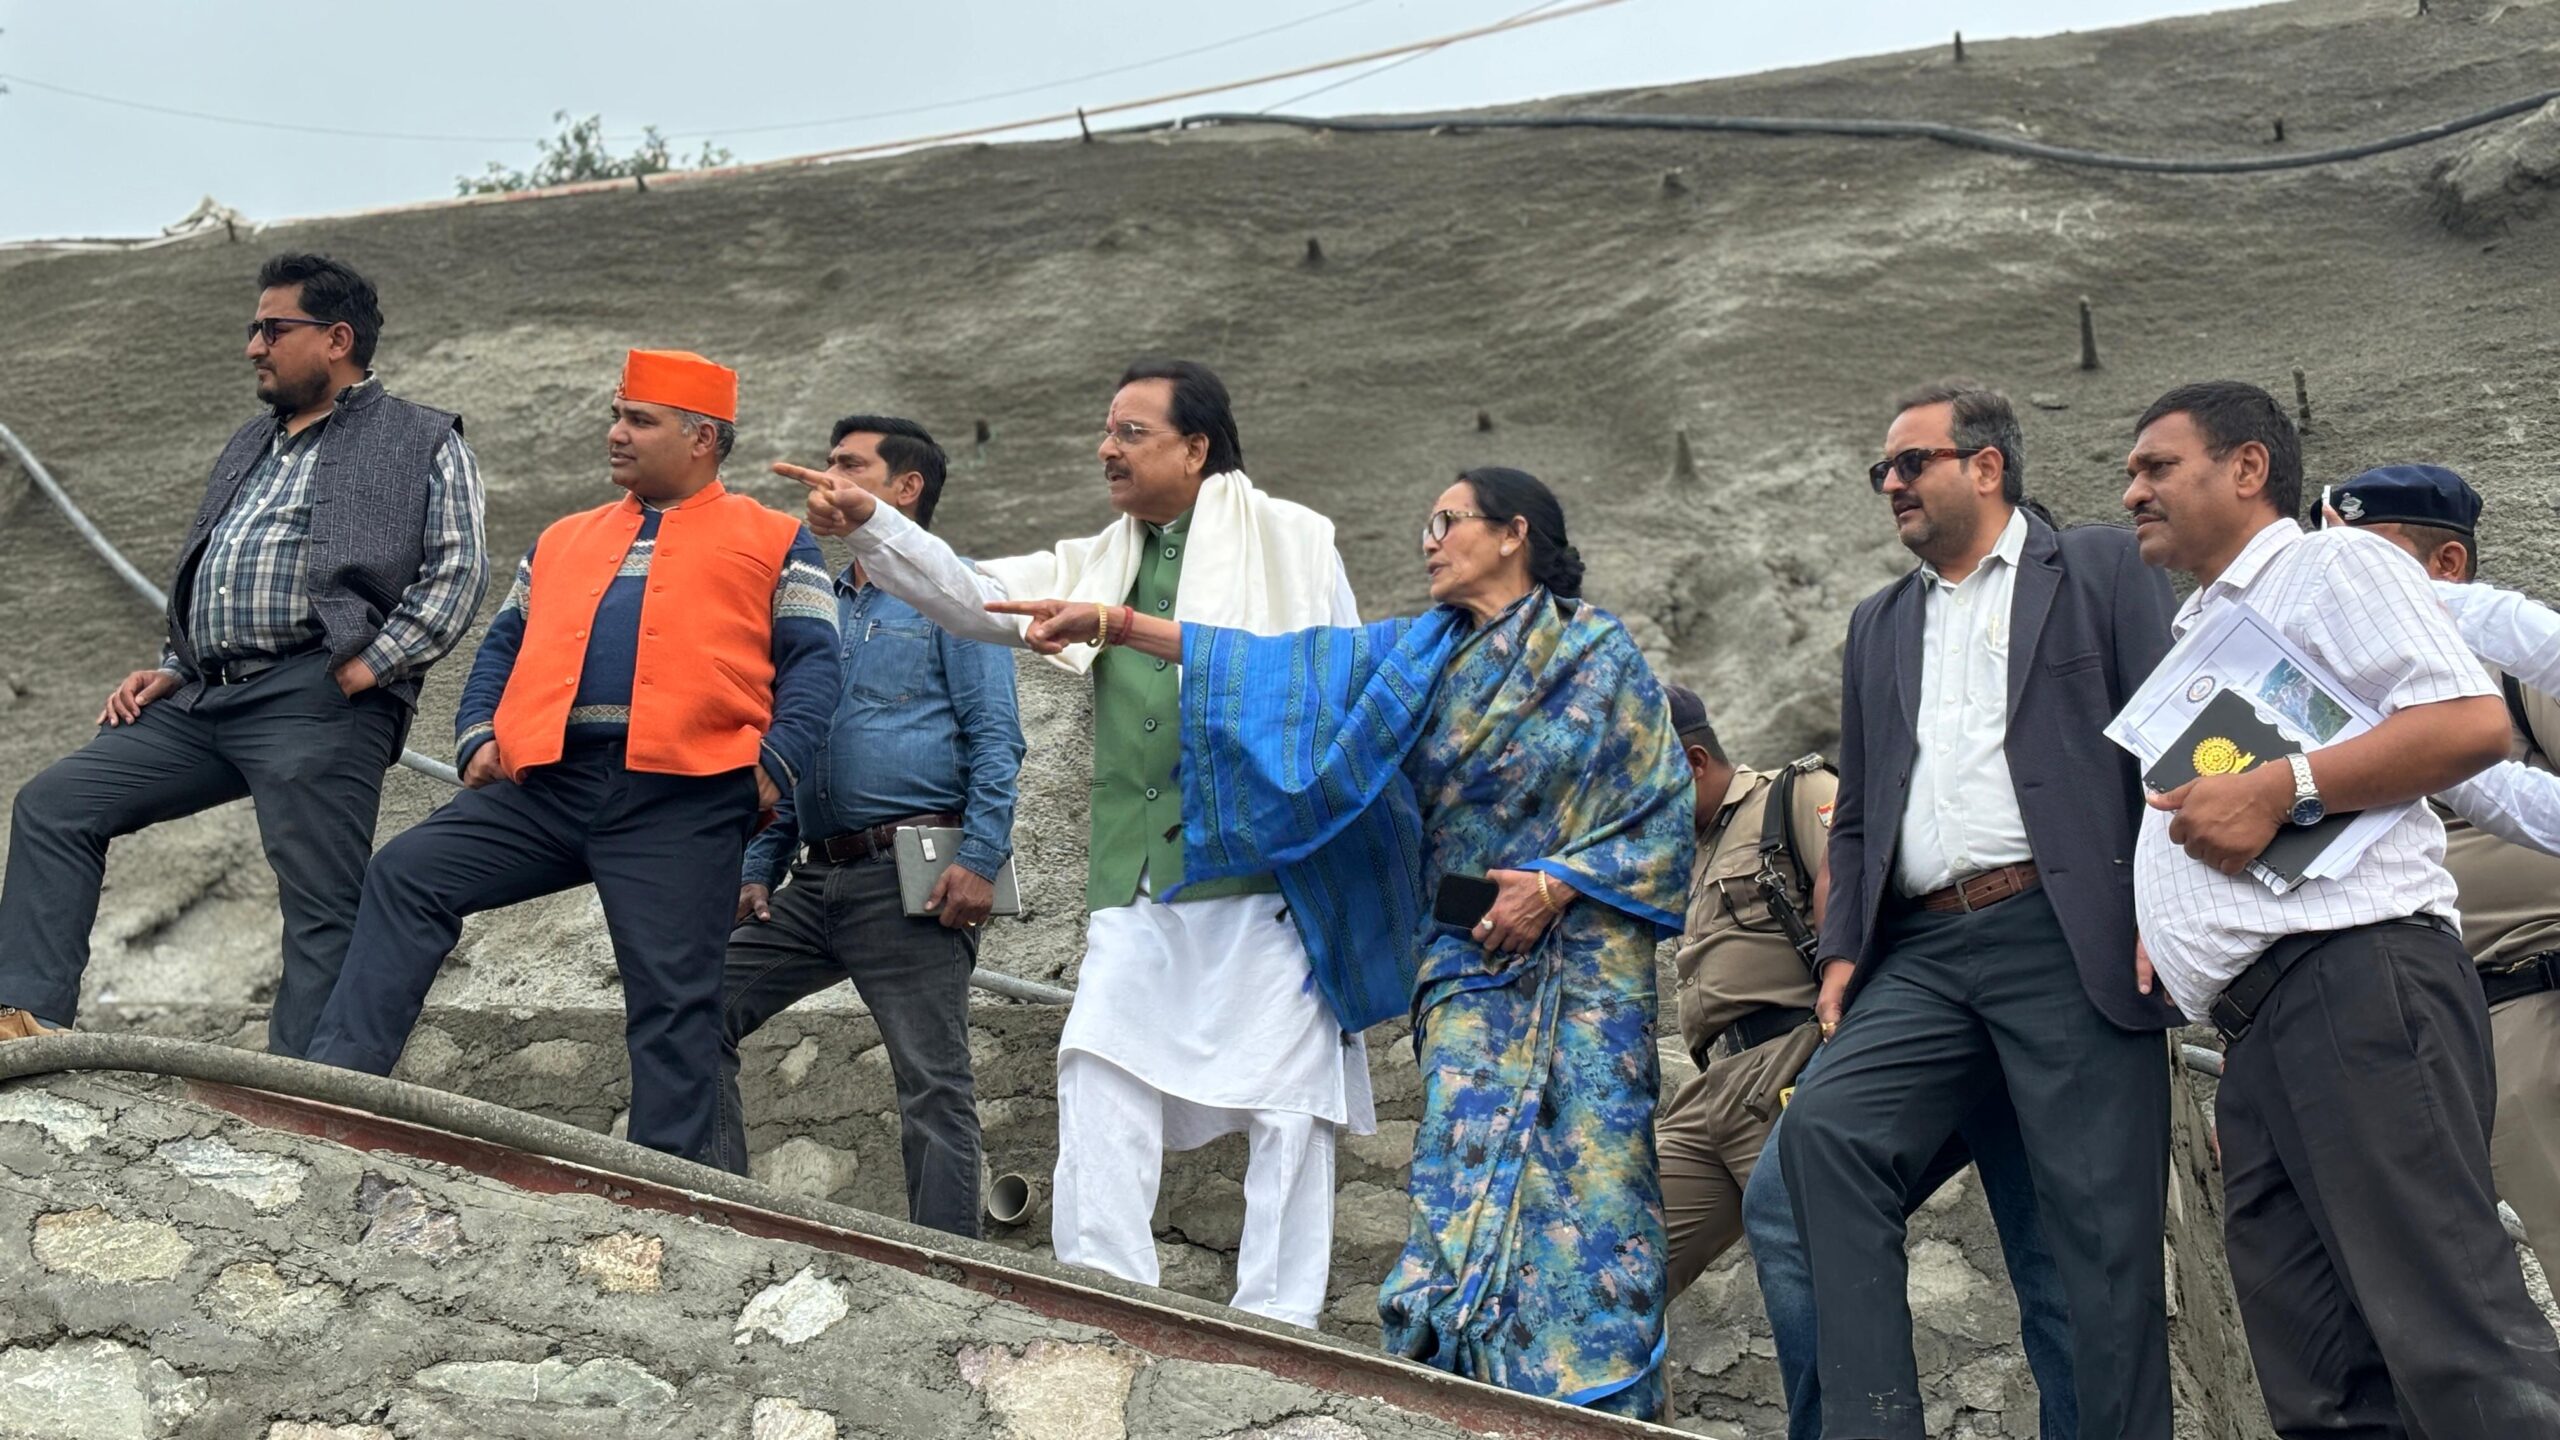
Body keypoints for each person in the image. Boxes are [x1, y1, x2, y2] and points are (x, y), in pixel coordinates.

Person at [996, 467, 1694, 1418]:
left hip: (1589, 973)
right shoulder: (1415, 654)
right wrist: (1116, 625)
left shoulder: (1599, 654)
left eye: (1447, 521)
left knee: (1596, 1180)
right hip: (1469, 963)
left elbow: (1660, 805)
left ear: (1513, 533)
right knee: (1458, 1167)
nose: (1428, 540)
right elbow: (1271, 669)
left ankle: (1599, 1408)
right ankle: (1464, 1397)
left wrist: (1555, 885)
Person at [779, 359, 1370, 1328]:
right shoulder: (1103, 556)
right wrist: (876, 521)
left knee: (1288, 1102)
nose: (1106, 448)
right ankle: (1106, 1301)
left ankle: (1281, 1320)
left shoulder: (1296, 543)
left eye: (1131, 432)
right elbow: (974, 595)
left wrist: (1126, 627)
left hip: (1265, 872)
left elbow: (1326, 680)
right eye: (1106, 430)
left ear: (1196, 447)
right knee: (1096, 1066)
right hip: (1136, 875)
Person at [2123, 382, 2560, 1436]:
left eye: (2156, 467)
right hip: (2266, 1026)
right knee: (2323, 1389)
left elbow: (2467, 728)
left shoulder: (2333, 565)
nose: (2130, 490)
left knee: (2458, 1348)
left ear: (2246, 468)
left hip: (2354, 986)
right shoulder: (2207, 625)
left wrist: (2284, 788)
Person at [306, 350, 838, 1166]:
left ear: (702, 438)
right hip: (548, 787)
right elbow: (502, 644)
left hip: (684, 796)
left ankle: (666, 1189)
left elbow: (816, 663)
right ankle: (334, 1097)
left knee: (673, 1003)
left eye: (639, 420)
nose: (616, 433)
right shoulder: (562, 538)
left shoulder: (776, 538)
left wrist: (779, 761)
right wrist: (478, 733)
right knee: (408, 873)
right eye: (616, 416)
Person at [1779, 381, 2180, 1440]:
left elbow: (2172, 741)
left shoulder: (2099, 566)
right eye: (1882, 469)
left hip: (2064, 934)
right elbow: (1860, 811)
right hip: (1921, 950)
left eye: (1911, 462)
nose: (1891, 484)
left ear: (1987, 466)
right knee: (1826, 1133)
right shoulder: (1877, 623)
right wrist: (1840, 952)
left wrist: (2167, 904)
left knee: (2103, 1250)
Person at [0, 253, 486, 1054]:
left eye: (272, 329)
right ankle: (26, 1027)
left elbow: (459, 570)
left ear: (337, 339)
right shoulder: (250, 443)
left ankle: (305, 1088)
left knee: (321, 905)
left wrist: (373, 665)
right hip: (201, 699)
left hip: (317, 693)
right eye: (254, 329)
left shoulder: (421, 437)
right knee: (55, 804)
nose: (253, 346)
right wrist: (173, 663)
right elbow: (211, 564)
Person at [1656, 680, 2078, 1439]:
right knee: (1613, 1260)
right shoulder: (1680, 851)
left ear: (1690, 760)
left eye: (1636, 778)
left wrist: (1846, 1035)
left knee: (1812, 1228)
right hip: (1715, 1082)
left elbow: (1863, 900)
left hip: (1798, 1056)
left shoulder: (1793, 795)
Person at [719, 415, 1024, 1233]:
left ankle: (945, 1270)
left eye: (849, 465)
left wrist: (981, 859)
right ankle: (719, 1216)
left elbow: (997, 737)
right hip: (814, 876)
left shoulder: (957, 594)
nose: (827, 478)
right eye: (828, 462)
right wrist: (758, 866)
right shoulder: (817, 601)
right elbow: (799, 748)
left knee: (932, 1084)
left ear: (905, 489)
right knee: (693, 1007)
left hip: (914, 873)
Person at [2324, 462, 2560, 1282]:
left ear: (2446, 566)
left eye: (2363, 559)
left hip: (2531, 1000)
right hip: (2402, 1038)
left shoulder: (2509, 669)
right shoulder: (2322, 700)